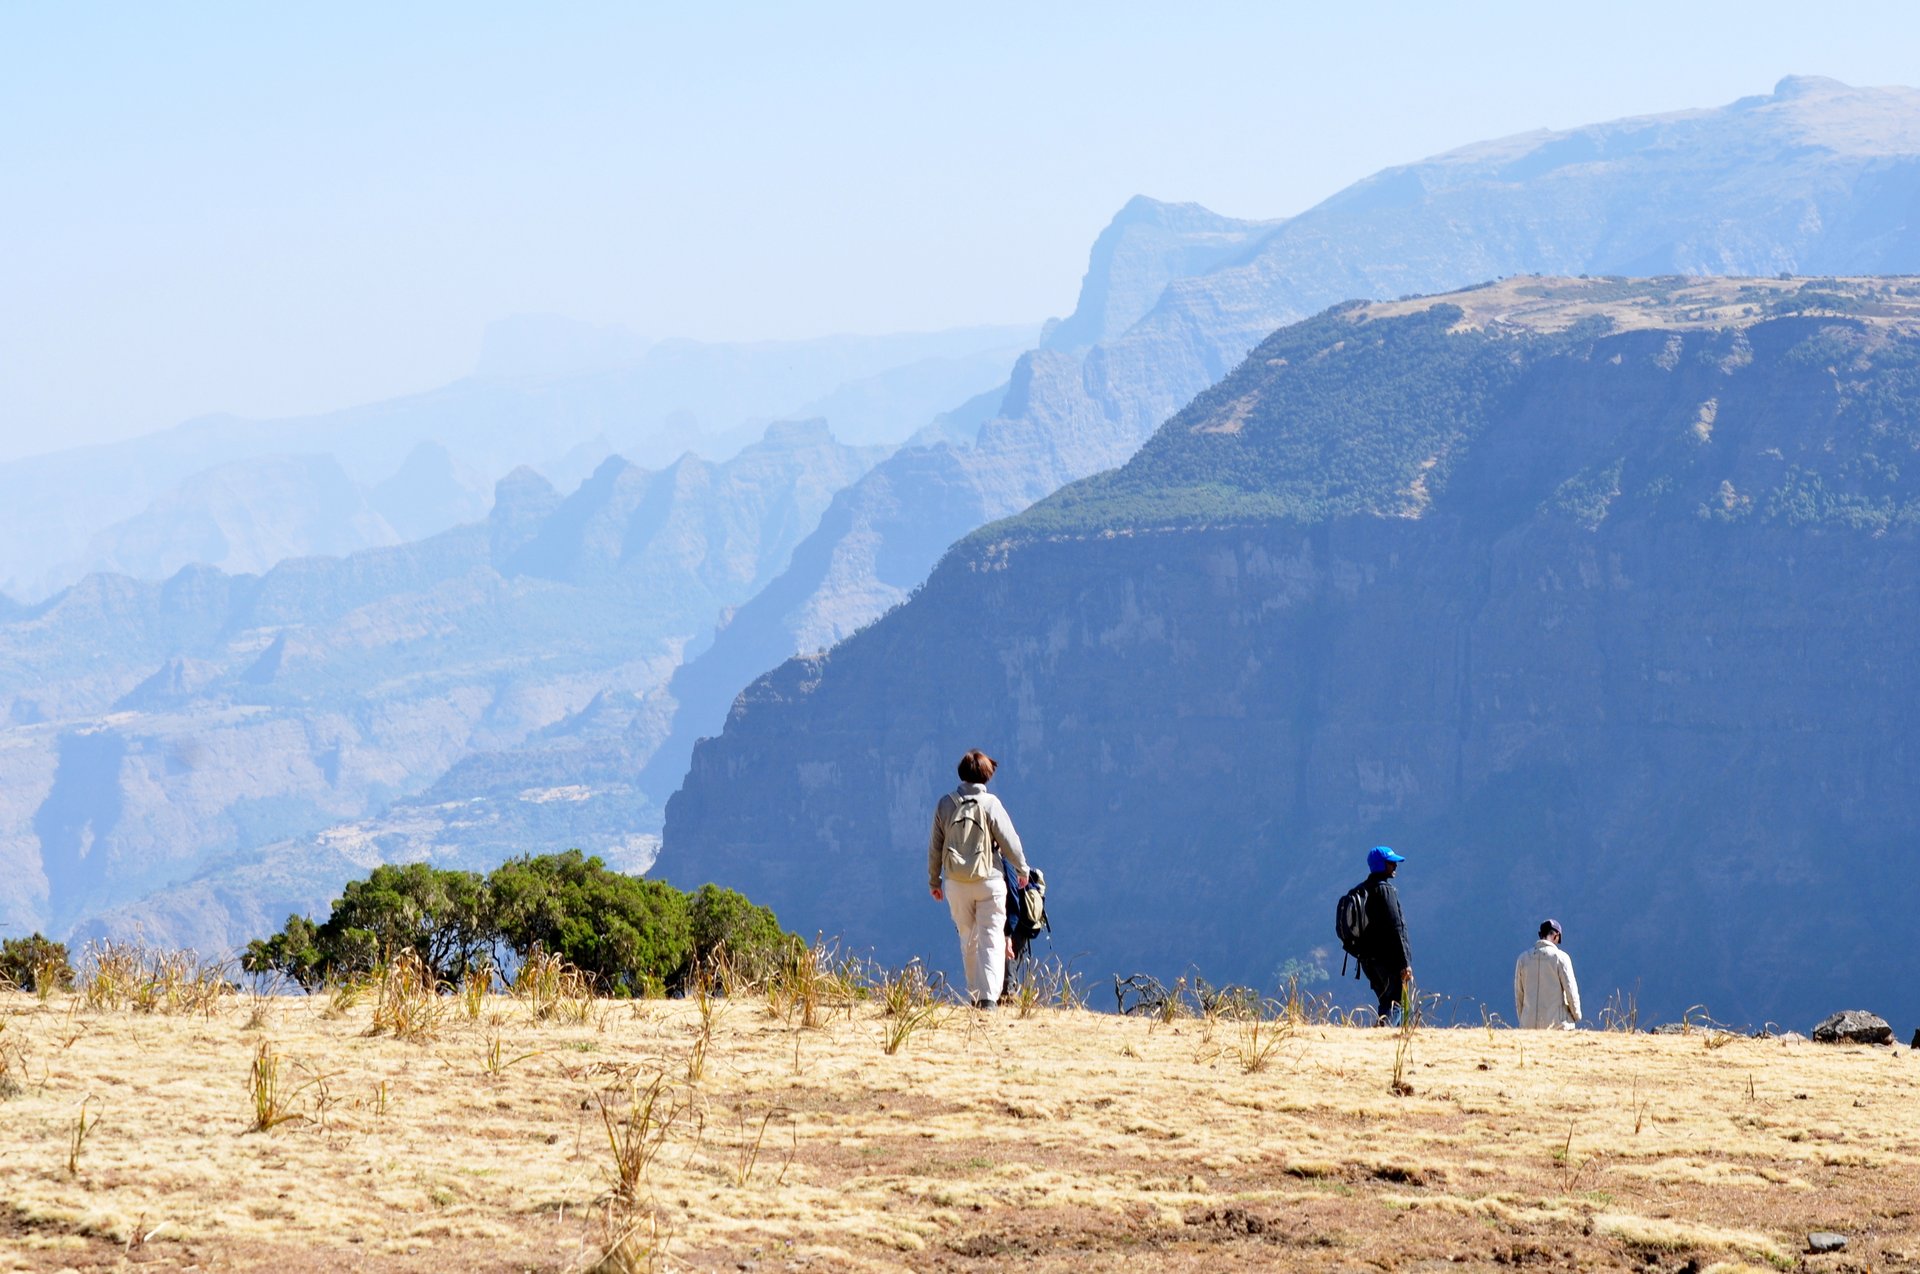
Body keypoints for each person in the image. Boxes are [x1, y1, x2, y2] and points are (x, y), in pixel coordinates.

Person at [928, 749, 1029, 1010]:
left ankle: (975, 995)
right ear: (986, 775)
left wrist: (934, 881)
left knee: (968, 939)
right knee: (992, 938)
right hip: (989, 880)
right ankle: (988, 999)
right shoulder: (991, 804)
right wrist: (1022, 870)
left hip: (955, 882)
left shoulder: (945, 804)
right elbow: (1010, 842)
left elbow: (935, 846)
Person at [1355, 846, 1413, 1024]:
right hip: (1388, 961)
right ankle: (1384, 1035)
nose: (1395, 866)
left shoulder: (1362, 890)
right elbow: (1396, 928)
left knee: (1385, 1001)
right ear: (1382, 865)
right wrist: (1405, 963)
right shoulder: (1385, 891)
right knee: (1397, 1003)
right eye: (1391, 863)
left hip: (1367, 961)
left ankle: (1381, 1037)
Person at [1514, 919, 1581, 1029]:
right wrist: (1576, 1015)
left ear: (1540, 935)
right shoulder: (1561, 958)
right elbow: (1570, 990)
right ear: (1556, 936)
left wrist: (1524, 1019)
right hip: (1557, 1024)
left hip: (1528, 1024)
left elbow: (1519, 995)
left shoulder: (1523, 959)